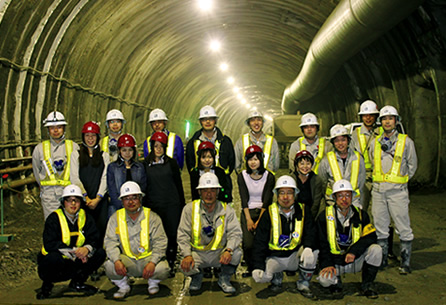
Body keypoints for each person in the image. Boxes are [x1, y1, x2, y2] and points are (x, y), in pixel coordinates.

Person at [251, 175, 317, 298]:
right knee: (261, 277)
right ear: (276, 194)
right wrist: (258, 266)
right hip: (275, 257)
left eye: (289, 193)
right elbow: (259, 241)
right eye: (282, 193)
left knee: (314, 253)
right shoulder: (269, 213)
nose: (285, 197)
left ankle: (303, 282)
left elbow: (311, 232)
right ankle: (276, 276)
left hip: (295, 256)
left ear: (295, 194)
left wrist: (308, 247)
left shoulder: (303, 210)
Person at [370, 105, 417, 274]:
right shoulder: (375, 143)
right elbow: (372, 162)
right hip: (378, 191)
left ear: (396, 121)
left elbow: (412, 166)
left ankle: (405, 263)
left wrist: (400, 181)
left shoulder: (406, 142)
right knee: (380, 226)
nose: (387, 121)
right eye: (384, 119)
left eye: (390, 118)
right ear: (380, 122)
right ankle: (382, 260)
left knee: (403, 227)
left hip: (397, 192)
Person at [36, 184, 106, 299]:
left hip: (77, 260)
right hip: (58, 262)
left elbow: (94, 237)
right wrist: (75, 251)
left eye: (76, 200)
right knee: (53, 258)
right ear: (63, 202)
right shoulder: (53, 219)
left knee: (100, 253)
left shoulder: (86, 217)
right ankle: (47, 286)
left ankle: (77, 282)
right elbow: (50, 243)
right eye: (69, 200)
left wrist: (86, 249)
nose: (73, 204)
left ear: (81, 202)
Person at [178, 172, 242, 294]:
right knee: (183, 264)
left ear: (218, 192)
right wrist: (187, 254)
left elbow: (236, 233)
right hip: (198, 254)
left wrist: (228, 250)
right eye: (205, 190)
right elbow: (182, 235)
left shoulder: (227, 210)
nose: (209, 194)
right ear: (199, 192)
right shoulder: (189, 209)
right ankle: (196, 276)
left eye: (212, 190)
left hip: (219, 253)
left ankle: (224, 277)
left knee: (237, 253)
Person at [317, 179, 381, 299]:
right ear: (334, 198)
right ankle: (336, 282)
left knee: (376, 250)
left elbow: (371, 237)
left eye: (347, 195)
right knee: (325, 280)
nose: (344, 199)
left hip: (354, 259)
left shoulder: (362, 215)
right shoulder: (324, 216)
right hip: (334, 262)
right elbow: (321, 242)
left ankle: (367, 284)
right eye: (340, 195)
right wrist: (327, 264)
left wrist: (353, 251)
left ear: (352, 197)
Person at [104, 181, 170, 299]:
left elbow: (160, 242)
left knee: (163, 268)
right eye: (126, 198)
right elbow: (110, 242)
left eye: (134, 198)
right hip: (127, 261)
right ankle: (123, 286)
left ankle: (153, 283)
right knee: (109, 266)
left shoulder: (152, 217)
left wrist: (153, 262)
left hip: (147, 260)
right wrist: (117, 260)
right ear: (122, 201)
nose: (130, 202)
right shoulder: (115, 218)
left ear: (140, 198)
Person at [144, 131, 185, 277]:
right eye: (156, 146)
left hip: (171, 204)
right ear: (151, 147)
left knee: (171, 234)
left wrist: (181, 204)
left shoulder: (171, 163)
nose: (158, 149)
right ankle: (156, 260)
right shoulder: (145, 164)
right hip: (154, 204)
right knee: (156, 234)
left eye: (161, 146)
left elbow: (178, 184)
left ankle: (171, 260)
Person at [32, 111, 81, 220]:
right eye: (52, 127)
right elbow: (36, 171)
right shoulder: (39, 149)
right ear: (48, 130)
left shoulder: (74, 147)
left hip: (70, 194)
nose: (55, 130)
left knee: (71, 224)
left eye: (59, 127)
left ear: (64, 128)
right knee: (52, 225)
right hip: (50, 196)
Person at [237, 145, 275, 277]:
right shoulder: (242, 176)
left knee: (263, 240)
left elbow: (267, 200)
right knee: (248, 244)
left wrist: (259, 221)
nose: (253, 162)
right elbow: (243, 198)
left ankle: (263, 264)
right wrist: (248, 219)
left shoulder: (269, 176)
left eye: (256, 159)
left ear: (261, 160)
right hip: (248, 212)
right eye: (250, 159)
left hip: (264, 212)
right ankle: (251, 266)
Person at [185, 105, 235, 200]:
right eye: (204, 119)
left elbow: (231, 163)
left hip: (222, 188)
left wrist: (222, 175)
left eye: (211, 119)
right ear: (200, 122)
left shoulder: (225, 141)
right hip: (200, 187)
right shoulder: (193, 142)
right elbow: (190, 164)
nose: (208, 122)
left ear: (215, 120)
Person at [318, 124, 366, 208]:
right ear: (333, 143)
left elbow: (361, 181)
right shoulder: (326, 160)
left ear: (348, 140)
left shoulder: (358, 158)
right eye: (336, 141)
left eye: (343, 140)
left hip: (354, 202)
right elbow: (323, 181)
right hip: (333, 202)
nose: (340, 143)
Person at [78, 121, 109, 245]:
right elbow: (74, 177)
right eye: (87, 135)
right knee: (84, 226)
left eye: (93, 135)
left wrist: (98, 198)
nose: (90, 139)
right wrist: (85, 197)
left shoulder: (104, 156)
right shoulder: (76, 155)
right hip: (84, 198)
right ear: (83, 137)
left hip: (100, 200)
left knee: (101, 226)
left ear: (98, 137)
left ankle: (99, 252)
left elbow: (105, 177)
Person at [351, 100, 381, 212]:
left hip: (379, 177)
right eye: (365, 116)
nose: (368, 118)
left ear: (376, 116)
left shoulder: (382, 132)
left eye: (371, 115)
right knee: (361, 208)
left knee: (380, 210)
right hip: (362, 177)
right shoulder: (355, 134)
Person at [107, 134, 147, 217]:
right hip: (116, 207)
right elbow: (112, 190)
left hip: (136, 207)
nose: (127, 153)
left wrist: (134, 205)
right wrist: (123, 206)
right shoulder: (112, 167)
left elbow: (143, 187)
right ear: (119, 151)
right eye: (124, 150)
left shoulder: (139, 167)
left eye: (130, 150)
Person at [234, 110, 280, 175]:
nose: (256, 123)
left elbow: (276, 165)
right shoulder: (241, 141)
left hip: (267, 180)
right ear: (249, 124)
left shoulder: (272, 141)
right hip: (247, 180)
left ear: (262, 122)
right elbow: (237, 164)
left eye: (259, 120)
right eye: (252, 120)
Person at [292, 150, 325, 219]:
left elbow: (316, 203)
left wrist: (309, 218)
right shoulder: (292, 178)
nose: (305, 166)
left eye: (308, 163)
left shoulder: (317, 180)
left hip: (311, 215)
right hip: (293, 214)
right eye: (302, 163)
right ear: (297, 165)